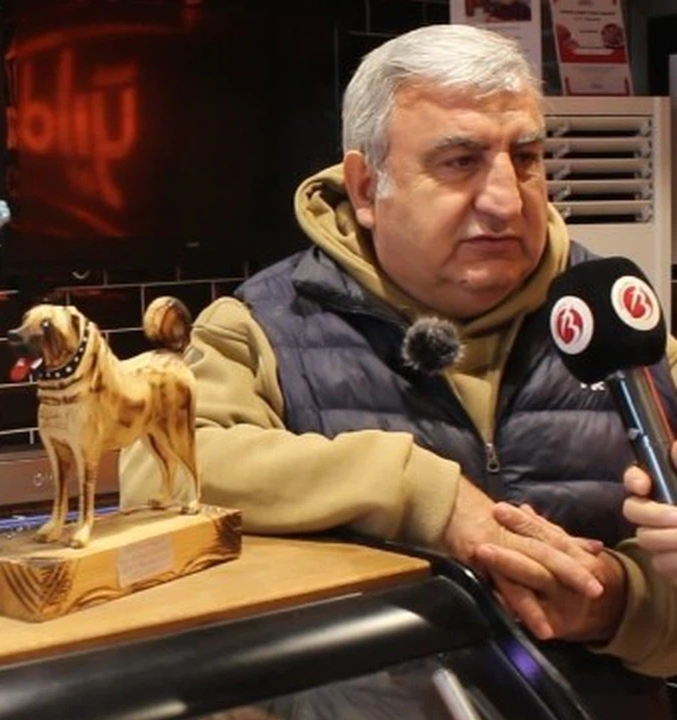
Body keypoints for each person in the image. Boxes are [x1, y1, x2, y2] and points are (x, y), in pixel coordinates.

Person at [119, 23, 677, 719]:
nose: (507, 199)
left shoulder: (618, 320)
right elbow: (153, 472)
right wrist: (416, 489)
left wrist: (618, 604)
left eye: (526, 157)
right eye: (460, 162)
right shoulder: (263, 326)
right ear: (365, 186)